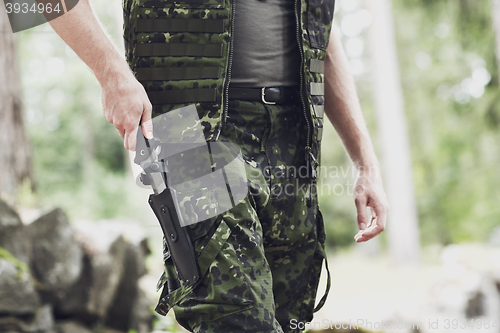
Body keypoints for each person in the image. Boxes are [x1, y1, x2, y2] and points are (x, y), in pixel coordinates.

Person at [48, 0, 389, 332]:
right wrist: (111, 74)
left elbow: (321, 37)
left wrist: (366, 163)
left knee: (286, 319)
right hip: (185, 130)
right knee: (235, 316)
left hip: (293, 138)